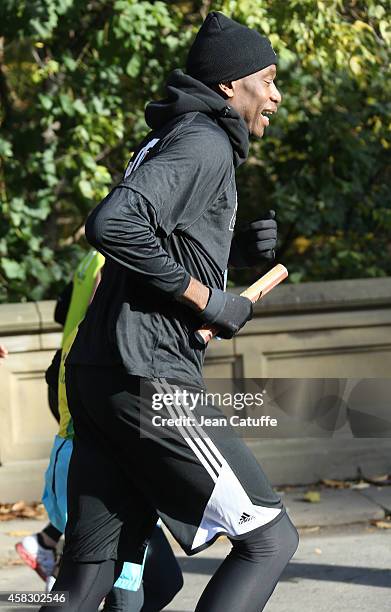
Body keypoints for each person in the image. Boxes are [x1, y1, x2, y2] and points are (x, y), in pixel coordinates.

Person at [43, 12, 298, 612]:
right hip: (148, 378)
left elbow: (156, 242)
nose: (276, 95)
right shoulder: (204, 141)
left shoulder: (175, 137)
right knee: (268, 538)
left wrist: (229, 250)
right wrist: (208, 299)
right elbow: (113, 224)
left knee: (89, 579)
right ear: (231, 85)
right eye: (268, 79)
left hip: (100, 376)